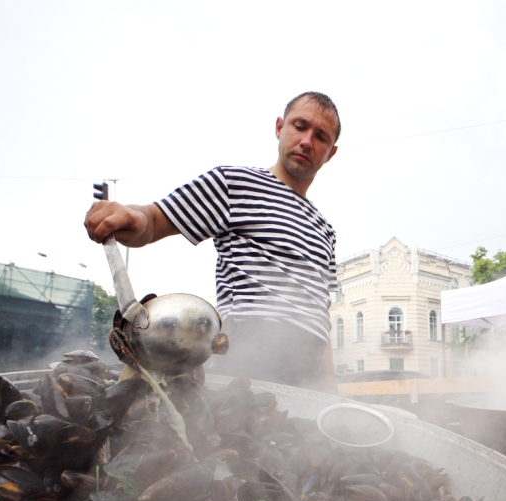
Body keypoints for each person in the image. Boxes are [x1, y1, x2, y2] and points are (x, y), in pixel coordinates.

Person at [84, 92, 341, 392]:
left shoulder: (325, 229)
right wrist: (132, 216)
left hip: (310, 374)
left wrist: (331, 392)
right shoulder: (235, 183)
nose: (307, 141)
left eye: (320, 136)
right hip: (249, 357)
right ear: (279, 127)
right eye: (300, 126)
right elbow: (153, 220)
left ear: (330, 153)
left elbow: (320, 317)